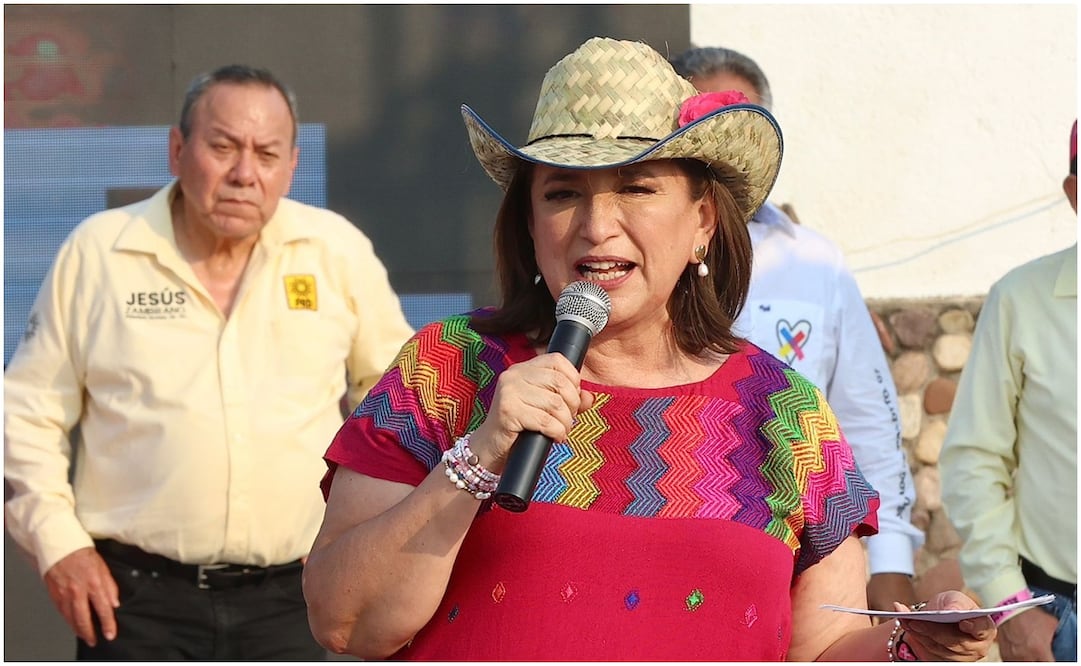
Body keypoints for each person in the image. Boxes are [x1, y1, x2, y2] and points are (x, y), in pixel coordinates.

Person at [302, 37, 995, 661]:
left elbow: (822, 649)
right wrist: (479, 455)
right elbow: (345, 622)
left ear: (701, 221)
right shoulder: (451, 368)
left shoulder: (786, 412)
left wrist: (915, 646)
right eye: (563, 192)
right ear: (529, 222)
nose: (597, 226)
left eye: (637, 187)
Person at [3, 64, 414, 660]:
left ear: (292, 165)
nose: (244, 174)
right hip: (134, 605)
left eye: (267, 153)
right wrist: (58, 545)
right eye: (223, 147)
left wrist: (358, 528)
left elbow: (400, 399)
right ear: (177, 149)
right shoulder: (100, 251)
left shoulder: (336, 251)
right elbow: (27, 412)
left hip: (292, 601)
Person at [669, 45, 924, 612]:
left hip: (812, 567)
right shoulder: (647, 260)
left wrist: (890, 563)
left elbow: (867, 420)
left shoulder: (816, 262)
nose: (726, 147)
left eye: (745, 126)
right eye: (705, 124)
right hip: (682, 556)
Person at [939, 120, 1078, 662]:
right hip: (1062, 619)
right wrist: (1011, 609)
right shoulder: (1023, 300)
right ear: (1074, 194)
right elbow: (975, 459)